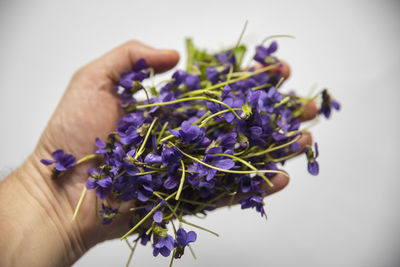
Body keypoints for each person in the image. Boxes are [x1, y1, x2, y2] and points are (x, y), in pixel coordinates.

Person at [0, 41, 316, 266]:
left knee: (234, 160)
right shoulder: (156, 131)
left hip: (186, 150)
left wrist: (41, 195)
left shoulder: (198, 130)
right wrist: (41, 193)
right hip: (164, 155)